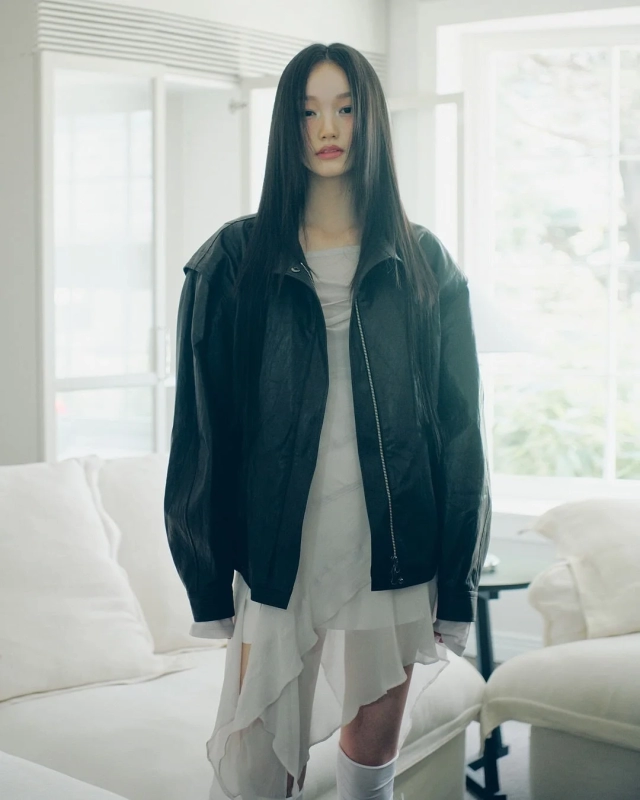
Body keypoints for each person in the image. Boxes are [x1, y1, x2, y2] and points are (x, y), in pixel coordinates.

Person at [164, 42, 491, 800]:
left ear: (370, 119)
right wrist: (207, 580)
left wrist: (457, 582)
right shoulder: (232, 261)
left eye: (344, 107)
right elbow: (202, 432)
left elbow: (461, 430)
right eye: (309, 110)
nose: (327, 127)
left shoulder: (424, 263)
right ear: (287, 125)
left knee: (372, 755)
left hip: (395, 539)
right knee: (259, 762)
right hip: (282, 546)